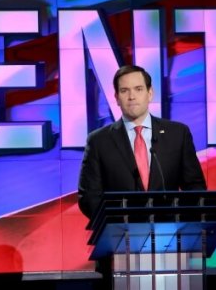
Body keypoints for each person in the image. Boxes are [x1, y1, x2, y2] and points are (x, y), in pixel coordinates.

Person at [77, 64, 206, 221]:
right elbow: (89, 197)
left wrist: (181, 223)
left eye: (138, 89)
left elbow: (195, 188)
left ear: (150, 93)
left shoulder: (178, 134)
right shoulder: (98, 141)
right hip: (121, 238)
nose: (132, 96)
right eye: (124, 91)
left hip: (170, 235)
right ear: (116, 98)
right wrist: (116, 224)